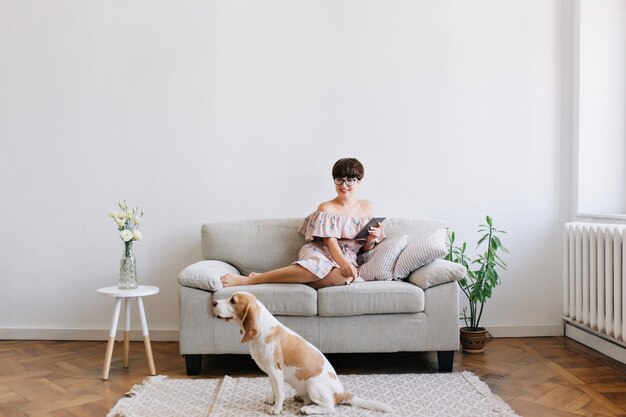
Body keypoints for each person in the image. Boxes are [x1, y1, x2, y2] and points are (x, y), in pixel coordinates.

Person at [220, 158, 385, 289]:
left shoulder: (367, 207)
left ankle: (280, 280)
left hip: (348, 256)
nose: (344, 185)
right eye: (339, 180)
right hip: (323, 252)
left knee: (347, 277)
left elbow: (365, 248)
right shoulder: (326, 207)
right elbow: (330, 242)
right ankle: (253, 281)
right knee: (319, 266)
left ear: (359, 182)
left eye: (350, 180)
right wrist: (344, 263)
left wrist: (371, 239)